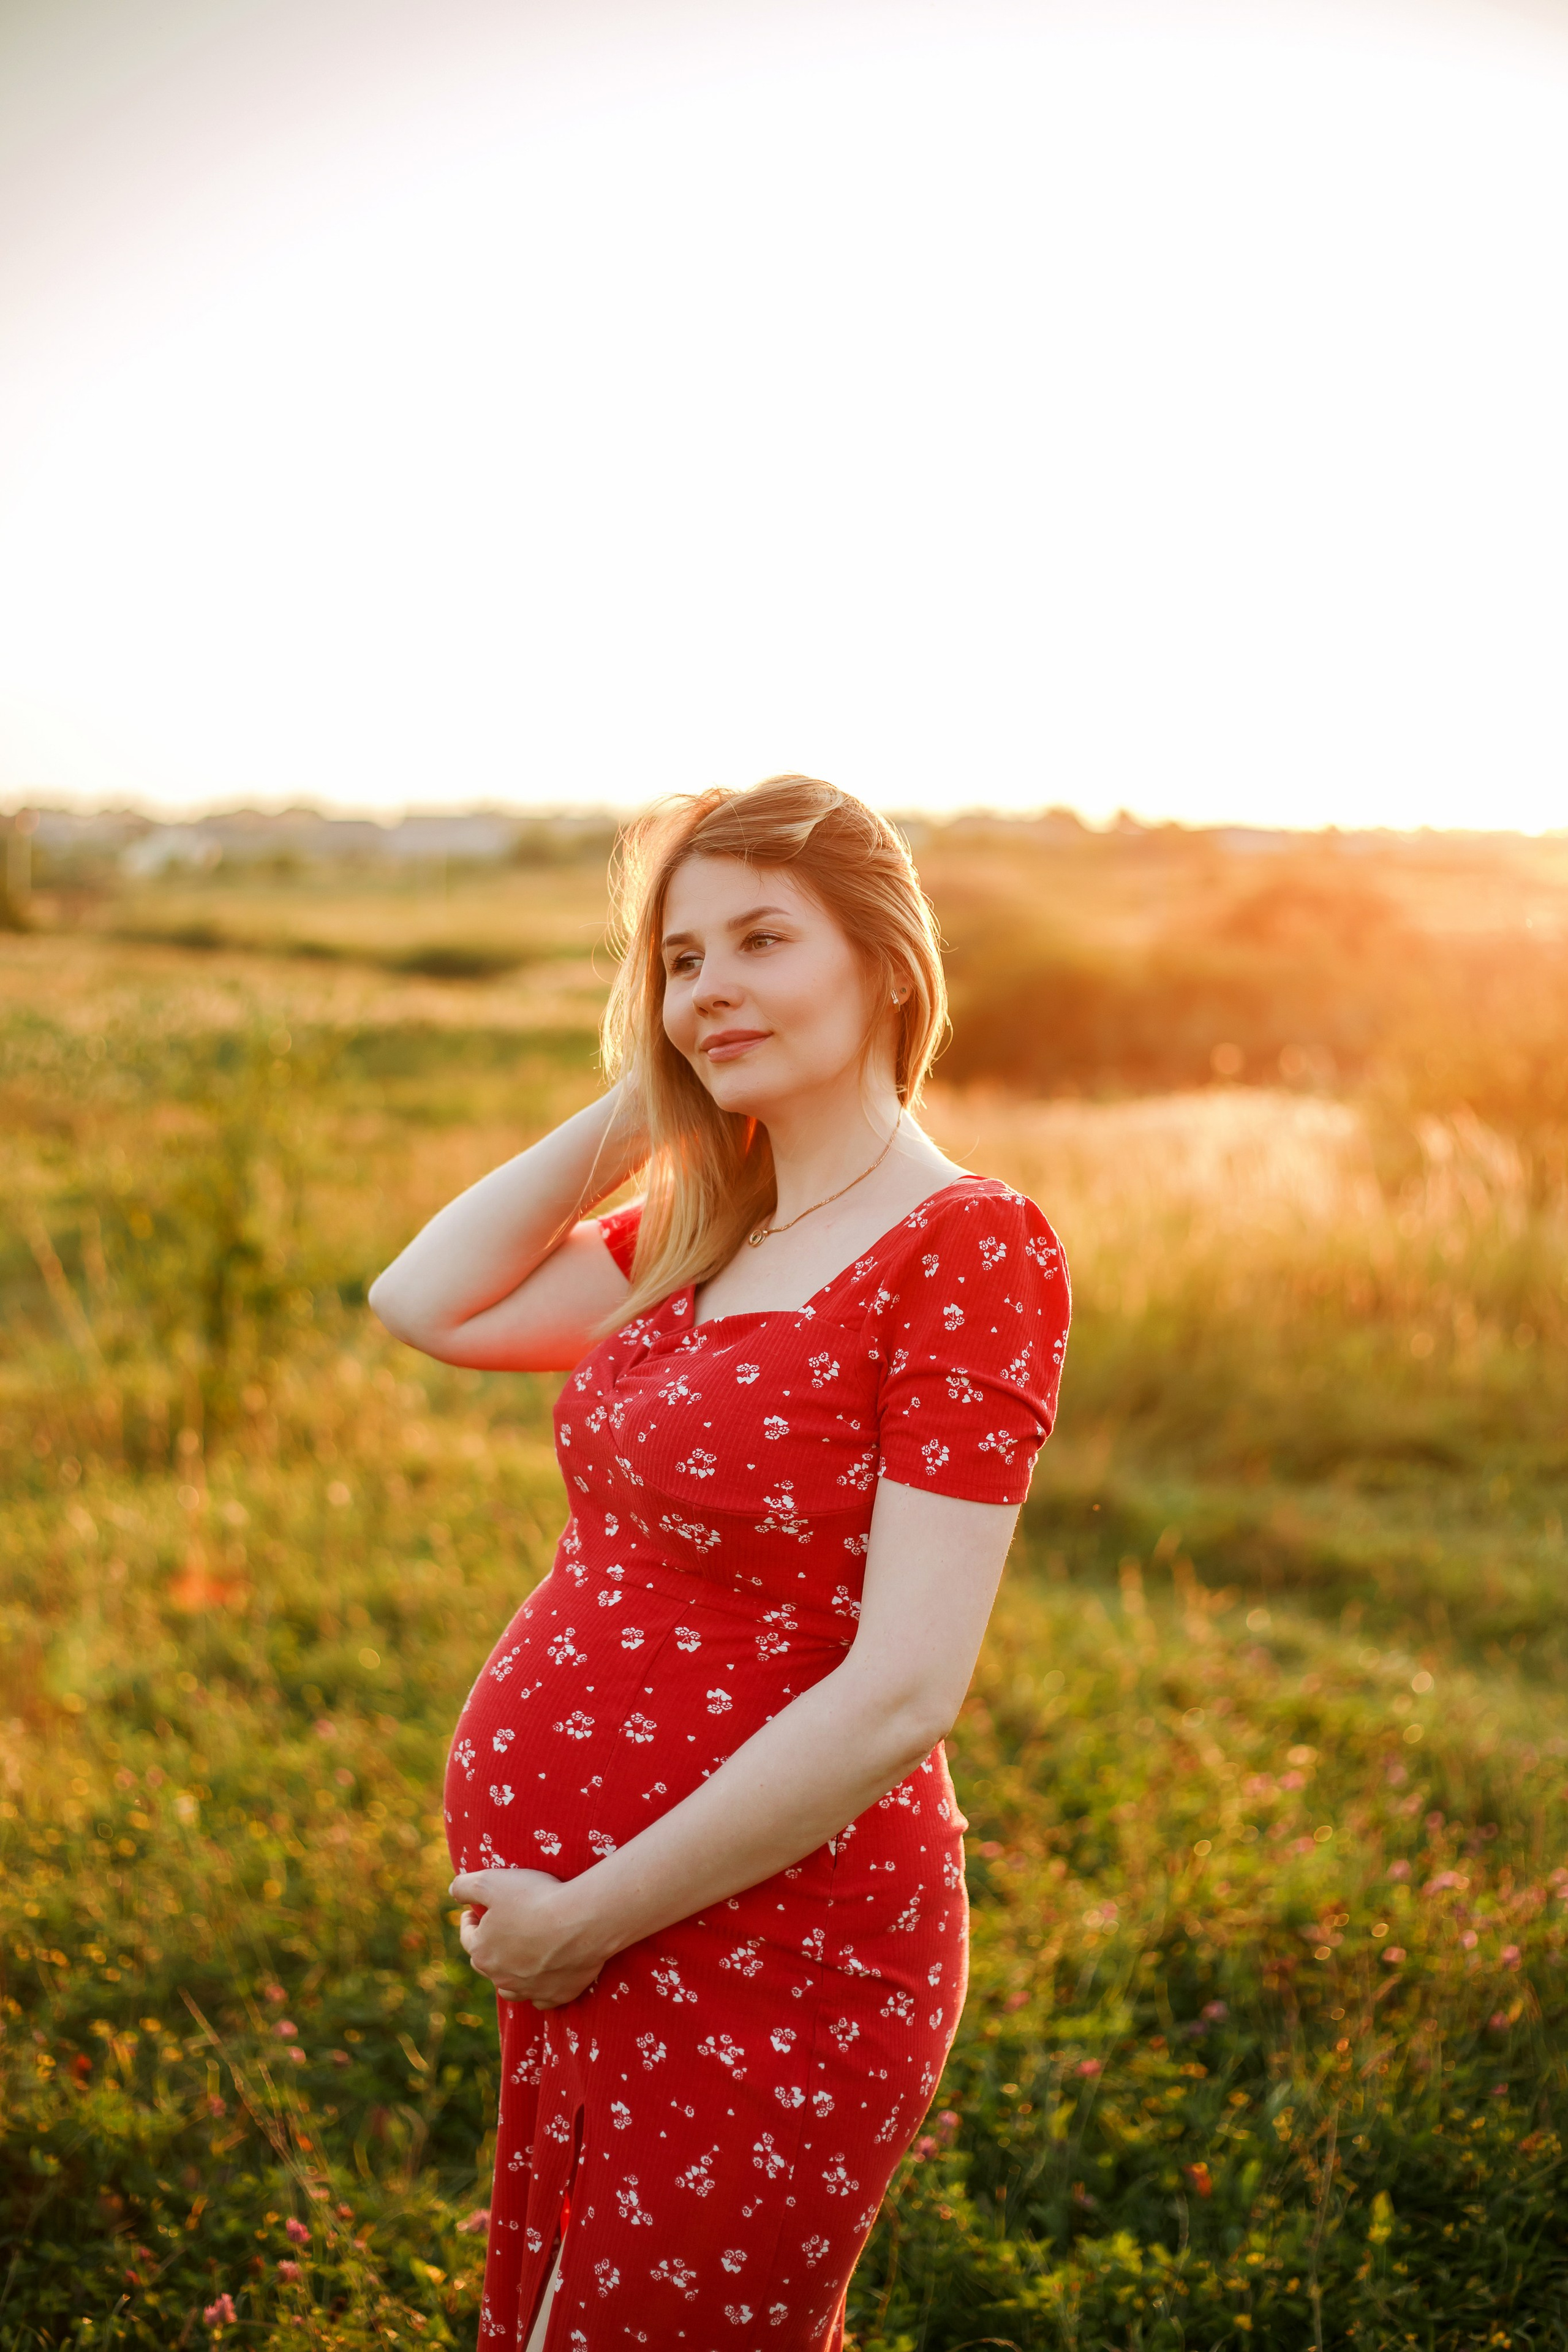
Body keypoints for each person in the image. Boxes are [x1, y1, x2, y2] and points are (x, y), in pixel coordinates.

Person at [369, 776, 1070, 2352]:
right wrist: (656, 1090)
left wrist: (590, 1917)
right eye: (680, 960)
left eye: (762, 939)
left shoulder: (966, 1247)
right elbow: (426, 1299)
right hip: (588, 1931)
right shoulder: (703, 1224)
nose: (711, 987)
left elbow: (901, 1692)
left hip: (778, 1941)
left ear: (885, 962)